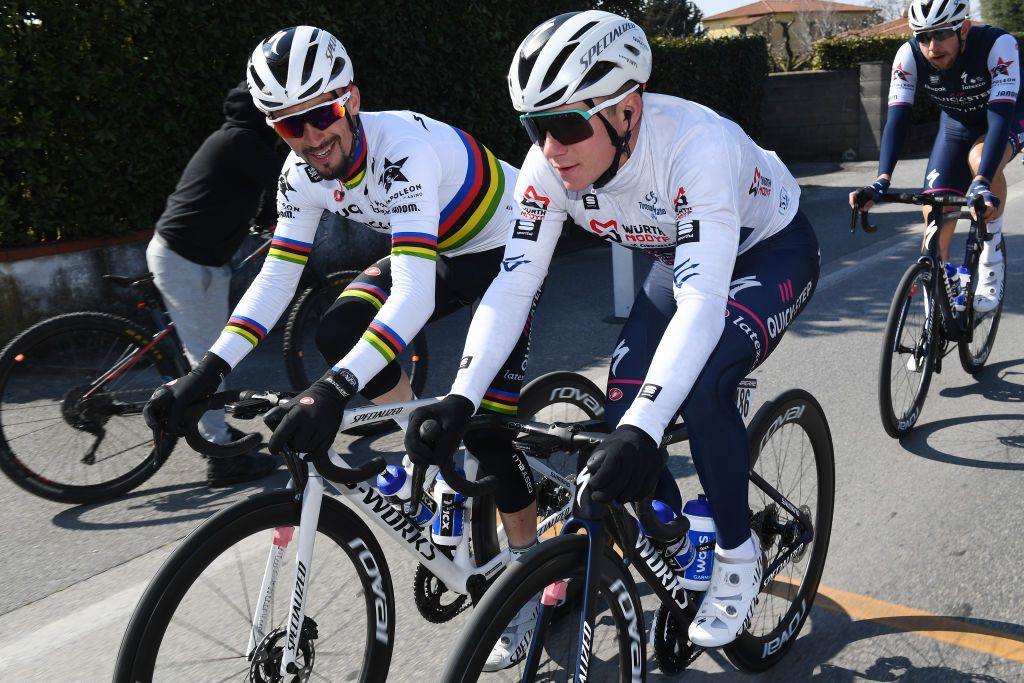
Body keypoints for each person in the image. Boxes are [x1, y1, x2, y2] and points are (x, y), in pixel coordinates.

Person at [404, 10, 821, 659]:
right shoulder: (548, 169)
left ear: (627, 110)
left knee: (702, 383)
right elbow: (513, 285)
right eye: (535, 127)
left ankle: (738, 552)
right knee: (624, 406)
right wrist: (462, 397)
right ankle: (681, 541)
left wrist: (647, 428)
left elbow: (704, 305)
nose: (551, 148)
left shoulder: (695, 148)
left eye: (567, 124)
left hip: (767, 251)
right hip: (677, 258)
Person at [142, 26, 544, 643]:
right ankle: (429, 453)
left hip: (508, 245)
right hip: (443, 246)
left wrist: (331, 391)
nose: (309, 138)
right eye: (287, 126)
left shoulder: (402, 147)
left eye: (320, 114)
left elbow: (414, 294)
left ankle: (526, 582)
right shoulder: (298, 173)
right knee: (338, 328)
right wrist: (207, 372)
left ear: (350, 99)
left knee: (488, 432)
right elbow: (276, 279)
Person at [145, 80, 282, 487]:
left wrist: (264, 215)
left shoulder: (235, 139)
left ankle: (217, 428)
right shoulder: (244, 142)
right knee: (208, 360)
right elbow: (284, 182)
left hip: (192, 256)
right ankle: (221, 459)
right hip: (188, 260)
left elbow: (264, 186)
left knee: (215, 348)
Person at [850, 0, 1020, 314]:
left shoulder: (998, 45)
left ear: (964, 28)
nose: (932, 45)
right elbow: (898, 119)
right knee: (933, 212)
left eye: (941, 34)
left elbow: (998, 119)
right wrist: (881, 180)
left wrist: (982, 181)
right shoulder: (908, 55)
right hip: (955, 125)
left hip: (1004, 118)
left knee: (979, 158)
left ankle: (991, 256)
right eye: (923, 36)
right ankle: (938, 305)